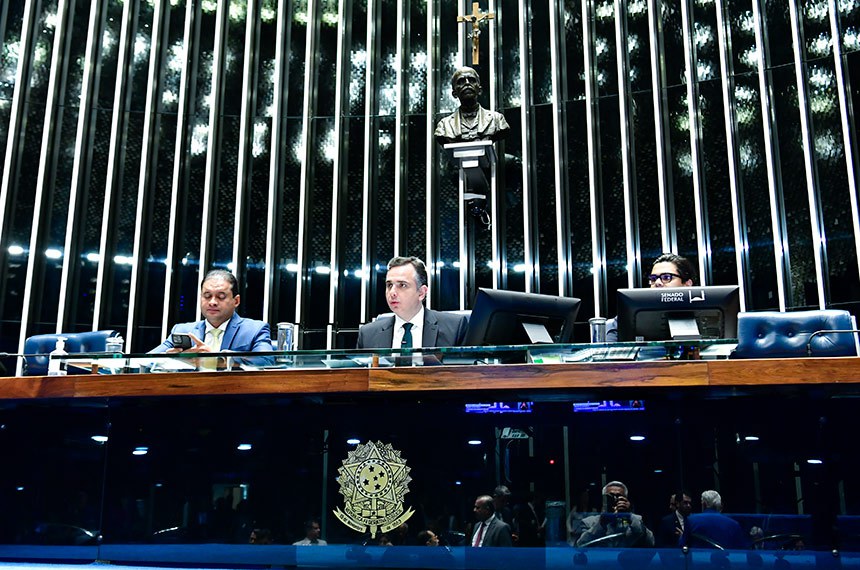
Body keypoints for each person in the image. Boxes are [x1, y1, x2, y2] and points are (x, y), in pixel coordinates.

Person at [151, 270, 272, 365]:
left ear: (236, 301)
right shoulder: (182, 330)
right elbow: (145, 360)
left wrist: (217, 360)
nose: (212, 302)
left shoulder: (255, 329)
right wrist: (169, 360)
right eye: (207, 296)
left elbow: (267, 361)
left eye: (221, 296)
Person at [356, 257, 469, 349]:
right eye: (389, 285)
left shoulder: (454, 328)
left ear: (421, 293)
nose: (392, 292)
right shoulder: (367, 334)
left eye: (402, 285)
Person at [605, 253, 697, 342]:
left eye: (666, 277)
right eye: (653, 279)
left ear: (687, 284)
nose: (657, 282)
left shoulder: (699, 311)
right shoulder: (637, 313)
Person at [434, 67, 511, 145]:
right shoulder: (444, 125)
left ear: (479, 90)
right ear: (454, 94)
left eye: (472, 80)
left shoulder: (497, 119)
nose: (467, 83)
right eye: (461, 81)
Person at [572, 481, 654, 548]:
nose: (614, 500)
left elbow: (650, 543)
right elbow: (580, 545)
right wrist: (600, 524)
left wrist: (629, 516)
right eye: (610, 497)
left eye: (619, 497)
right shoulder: (589, 522)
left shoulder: (635, 520)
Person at [682, 490, 748, 549]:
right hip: (725, 561)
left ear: (704, 504)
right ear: (719, 505)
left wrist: (681, 536)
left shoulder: (691, 520)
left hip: (698, 561)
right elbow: (742, 550)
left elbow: (682, 545)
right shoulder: (734, 524)